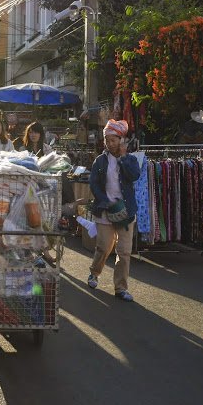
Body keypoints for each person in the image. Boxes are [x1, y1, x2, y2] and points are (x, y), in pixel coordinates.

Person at [87, 119, 140, 302]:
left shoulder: (130, 159)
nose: (110, 144)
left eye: (113, 140)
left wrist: (123, 157)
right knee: (103, 247)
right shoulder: (100, 161)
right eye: (107, 140)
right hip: (105, 210)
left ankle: (121, 288)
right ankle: (94, 273)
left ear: (121, 140)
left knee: (124, 252)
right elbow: (94, 184)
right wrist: (104, 200)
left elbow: (134, 175)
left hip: (126, 211)